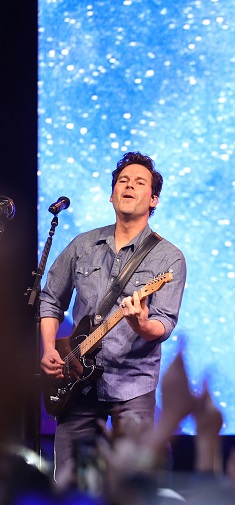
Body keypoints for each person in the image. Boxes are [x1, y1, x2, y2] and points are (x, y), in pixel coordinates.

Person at [38, 152, 186, 482]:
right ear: (112, 194)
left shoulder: (169, 257)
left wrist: (141, 323)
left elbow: (163, 323)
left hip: (132, 387)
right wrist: (49, 349)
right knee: (77, 487)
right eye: (122, 181)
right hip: (77, 384)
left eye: (139, 182)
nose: (129, 186)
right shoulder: (83, 245)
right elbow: (50, 300)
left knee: (134, 487)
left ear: (154, 200)